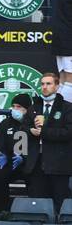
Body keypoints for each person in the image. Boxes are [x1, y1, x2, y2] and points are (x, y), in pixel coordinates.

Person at [32, 71, 72, 212]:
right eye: (42, 84)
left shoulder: (67, 108)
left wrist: (44, 131)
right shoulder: (35, 106)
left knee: (59, 200)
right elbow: (23, 128)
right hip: (37, 161)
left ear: (57, 86)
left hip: (59, 162)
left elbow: (68, 133)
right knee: (39, 201)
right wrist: (30, 131)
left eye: (48, 84)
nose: (44, 87)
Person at [0, 94, 36, 215]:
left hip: (28, 163)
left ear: (27, 109)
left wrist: (24, 158)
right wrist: (4, 155)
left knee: (35, 177)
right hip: (10, 162)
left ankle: (34, 212)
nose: (15, 110)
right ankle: (1, 212)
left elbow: (35, 147)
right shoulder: (5, 124)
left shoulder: (33, 124)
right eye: (13, 106)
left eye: (19, 107)